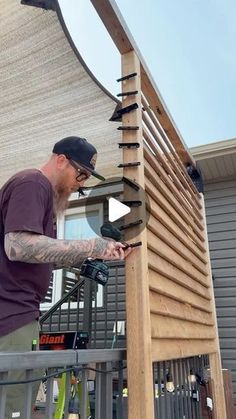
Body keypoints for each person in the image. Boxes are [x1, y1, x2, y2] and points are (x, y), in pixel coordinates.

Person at [0, 136, 132, 418]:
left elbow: (39, 257)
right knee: (13, 407)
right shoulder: (32, 183)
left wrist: (93, 253)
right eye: (80, 173)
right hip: (10, 315)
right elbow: (18, 246)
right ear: (61, 160)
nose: (81, 183)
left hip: (18, 314)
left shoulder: (42, 197)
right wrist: (89, 247)